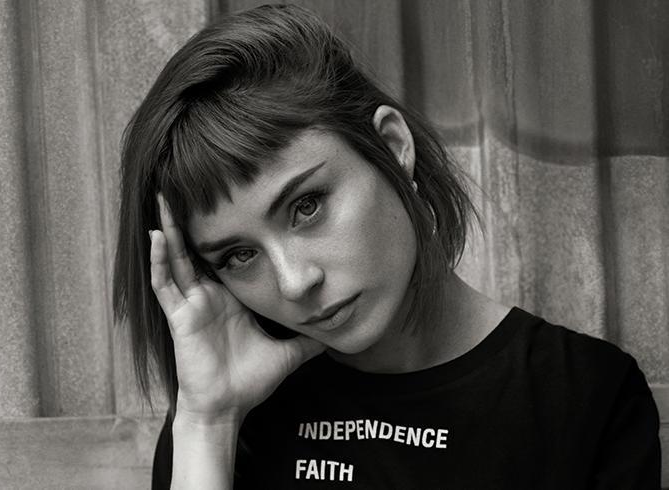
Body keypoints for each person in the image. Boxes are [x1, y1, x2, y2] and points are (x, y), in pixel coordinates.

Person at [112, 4, 661, 489]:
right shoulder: (227, 416)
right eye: (239, 256)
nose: (295, 281)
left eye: (307, 206)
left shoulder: (585, 396)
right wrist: (208, 425)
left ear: (393, 146)